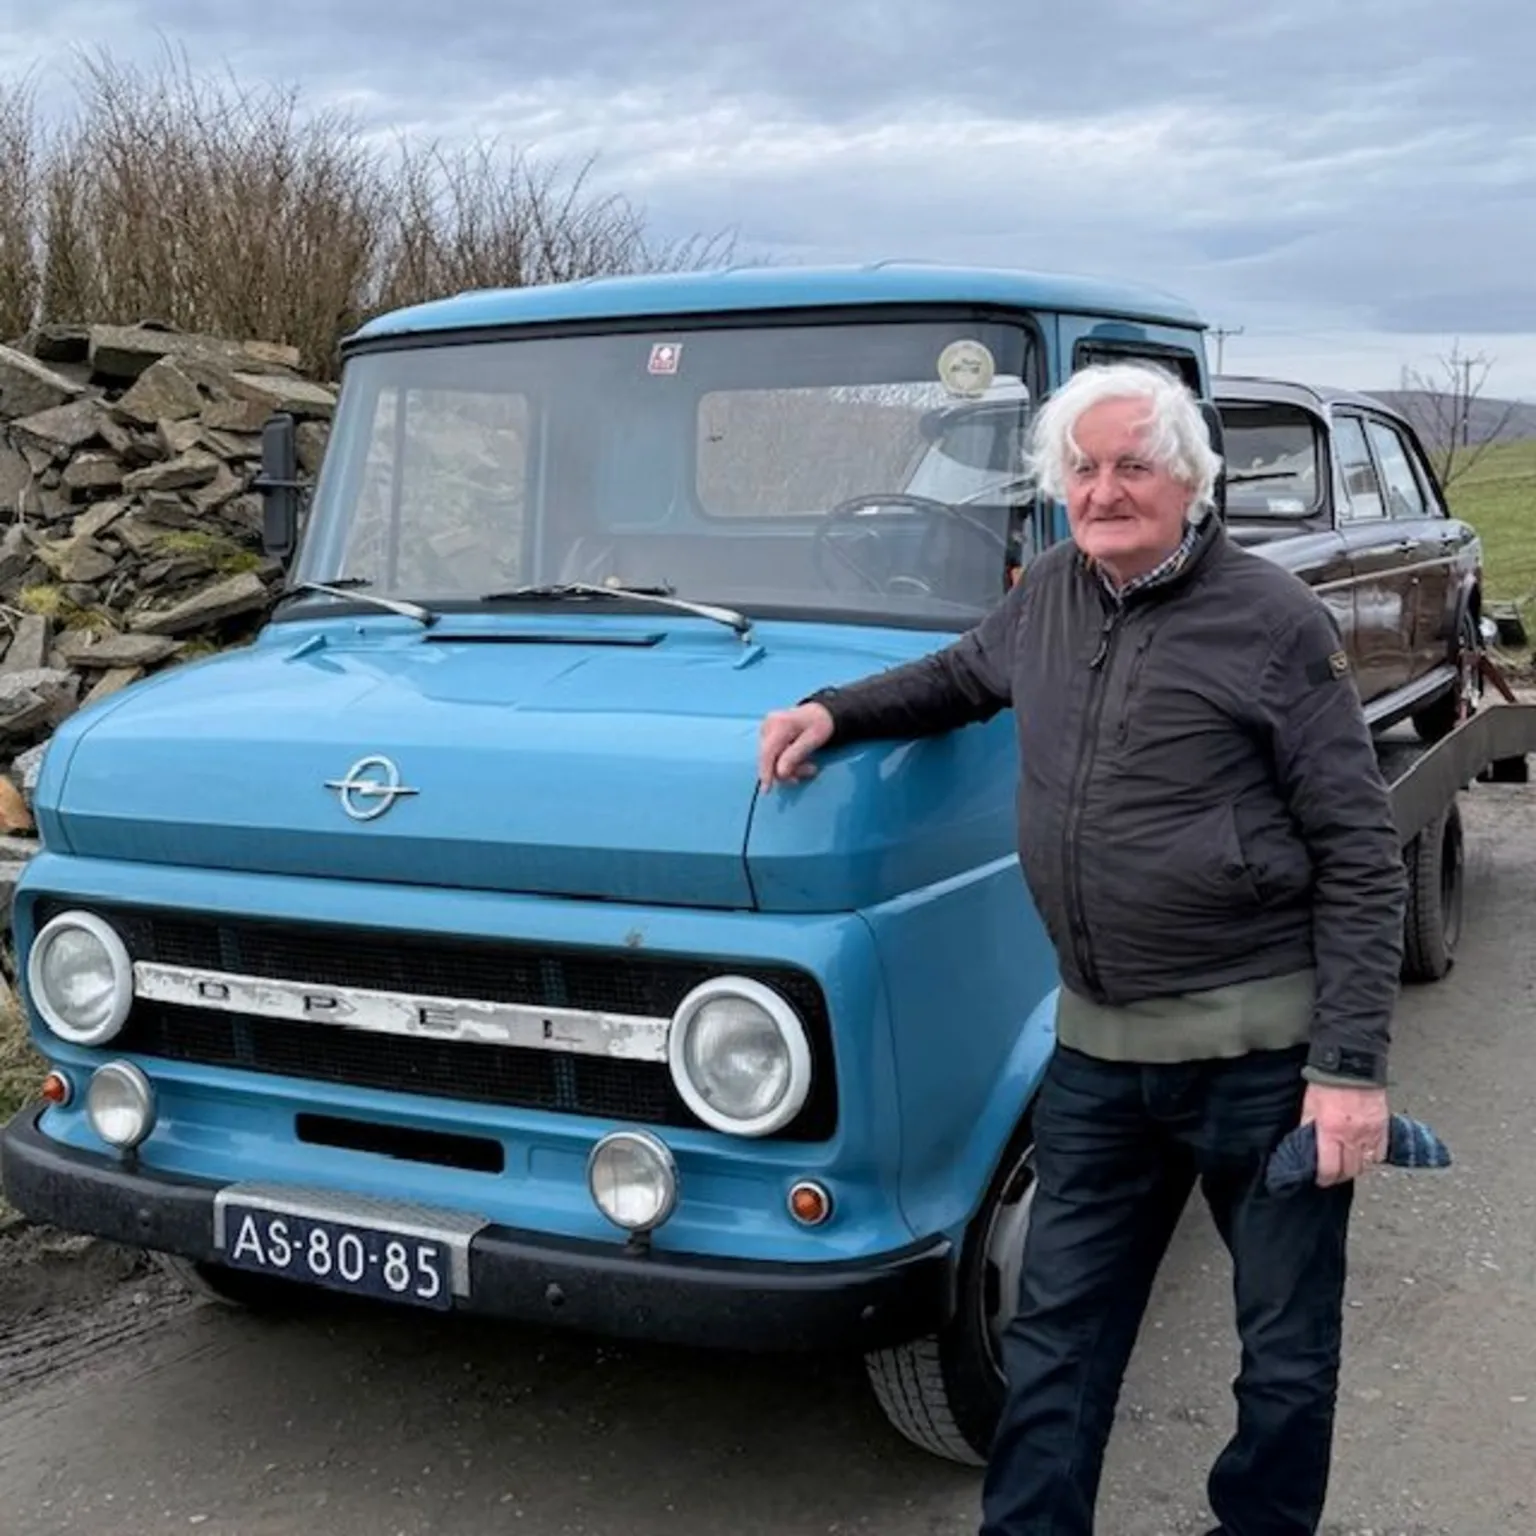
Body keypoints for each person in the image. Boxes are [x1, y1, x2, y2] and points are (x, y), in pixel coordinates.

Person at [756, 362, 1407, 1536]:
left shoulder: (1274, 622)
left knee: (1284, 1348)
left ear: (1191, 482)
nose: (1104, 491)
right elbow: (959, 673)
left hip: (1261, 1064)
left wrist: (1350, 1072)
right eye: (1084, 470)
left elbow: (1361, 854)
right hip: (1100, 1062)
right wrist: (833, 710)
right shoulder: (1050, 589)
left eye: (1132, 467)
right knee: (1057, 1338)